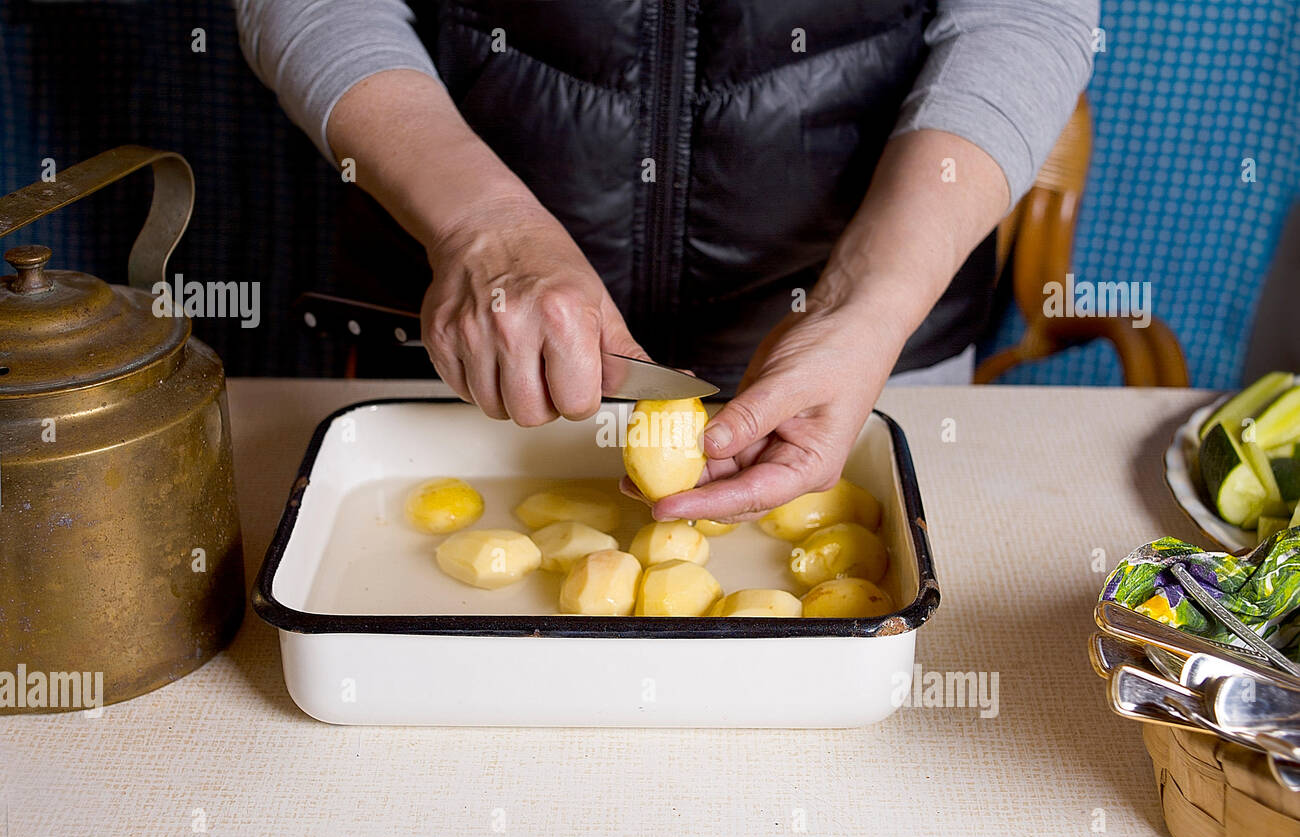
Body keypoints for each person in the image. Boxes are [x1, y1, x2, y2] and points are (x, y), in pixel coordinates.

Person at [237, 0, 1096, 521]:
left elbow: (1024, 14)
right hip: (471, 346)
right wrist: (480, 227)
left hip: (874, 362)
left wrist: (865, 305)